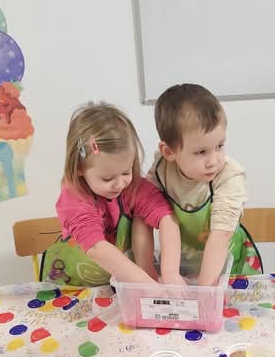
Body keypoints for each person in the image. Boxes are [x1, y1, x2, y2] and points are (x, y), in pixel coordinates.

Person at [40, 102, 182, 286]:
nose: (120, 183)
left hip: (118, 285)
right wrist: (148, 285)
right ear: (79, 168)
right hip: (73, 286)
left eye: (126, 172)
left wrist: (170, 273)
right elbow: (96, 248)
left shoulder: (134, 187)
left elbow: (166, 218)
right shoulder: (74, 199)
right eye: (107, 178)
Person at [137, 83, 262, 286]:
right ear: (169, 152)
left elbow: (221, 235)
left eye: (219, 146)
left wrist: (205, 293)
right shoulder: (161, 169)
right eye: (201, 152)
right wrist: (147, 276)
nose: (213, 160)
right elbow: (142, 214)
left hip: (230, 267)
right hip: (187, 265)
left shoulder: (229, 176)